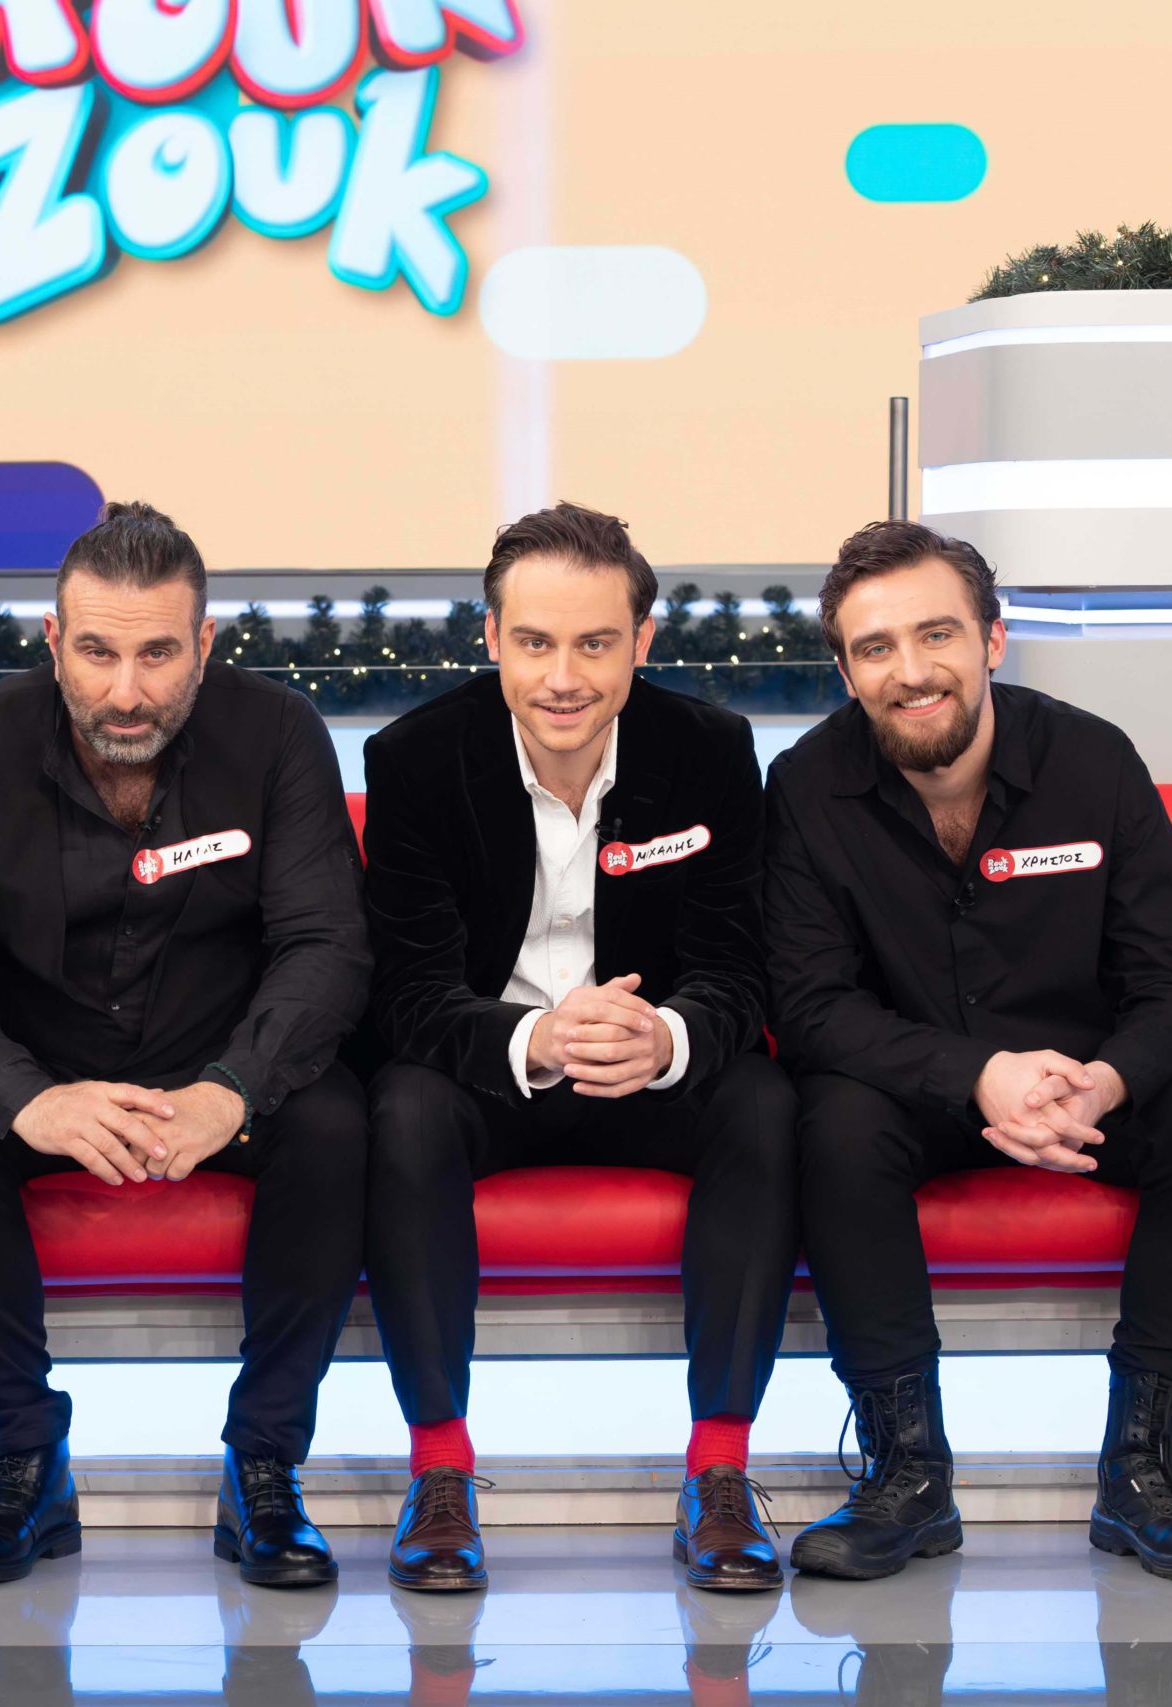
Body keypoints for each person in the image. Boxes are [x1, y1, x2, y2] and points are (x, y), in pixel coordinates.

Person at [0, 501, 371, 1588]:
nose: (127, 692)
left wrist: (230, 1090)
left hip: (222, 1068)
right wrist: (24, 1097)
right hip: (39, 1076)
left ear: (204, 643)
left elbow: (327, 943)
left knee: (335, 1121)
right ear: (54, 641)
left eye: (157, 655)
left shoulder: (279, 733)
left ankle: (264, 1464)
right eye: (97, 653)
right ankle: (24, 1461)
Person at [767, 520, 1172, 1583]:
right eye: (874, 647)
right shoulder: (806, 786)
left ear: (992, 639)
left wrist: (1104, 1083)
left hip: (1086, 1087)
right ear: (846, 671)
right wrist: (976, 1075)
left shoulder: (1093, 760)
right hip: (913, 1090)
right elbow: (810, 1008)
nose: (910, 671)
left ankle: (1144, 1474)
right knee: (832, 1124)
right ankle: (907, 1475)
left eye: (936, 633)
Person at [360, 502, 797, 1595]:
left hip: (648, 1067)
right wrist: (536, 1036)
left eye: (595, 644)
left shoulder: (709, 751)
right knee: (400, 1108)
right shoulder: (415, 760)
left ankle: (719, 1471)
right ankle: (439, 1471)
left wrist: (667, 1036)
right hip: (490, 1067)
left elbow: (739, 967)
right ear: (491, 638)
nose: (563, 678)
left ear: (642, 641)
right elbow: (407, 994)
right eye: (535, 643)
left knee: (762, 1102)